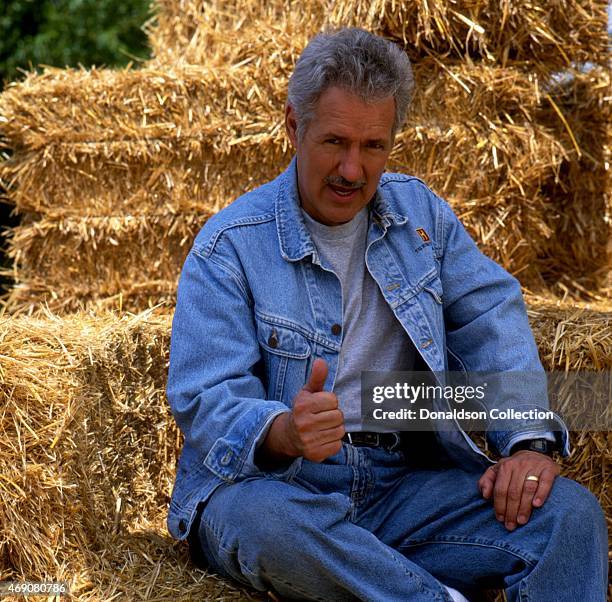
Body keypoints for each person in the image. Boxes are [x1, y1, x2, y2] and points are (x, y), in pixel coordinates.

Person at [166, 28, 607, 601]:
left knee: (569, 515)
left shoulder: (421, 216)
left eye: (373, 146)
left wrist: (527, 444)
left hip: (403, 487)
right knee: (262, 524)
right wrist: (284, 432)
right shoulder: (229, 245)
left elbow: (490, 315)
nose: (352, 169)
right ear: (294, 128)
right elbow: (205, 398)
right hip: (281, 490)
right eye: (335, 142)